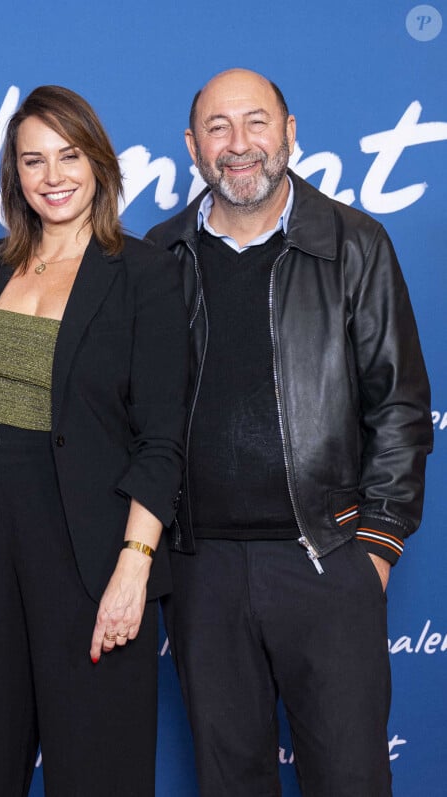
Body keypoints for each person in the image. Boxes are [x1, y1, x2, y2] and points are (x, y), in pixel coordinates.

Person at [0, 85, 188, 797]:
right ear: (15, 174)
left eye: (69, 155)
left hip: (89, 550)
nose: (52, 176)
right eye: (34, 160)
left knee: (98, 767)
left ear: (99, 163)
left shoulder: (145, 272)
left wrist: (133, 566)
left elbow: (162, 438)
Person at [146, 68, 433, 797]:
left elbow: (398, 403)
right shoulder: (160, 255)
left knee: (349, 777)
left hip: (326, 557)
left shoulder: (354, 243)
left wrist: (375, 548)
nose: (239, 145)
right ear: (192, 145)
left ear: (290, 132)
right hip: (202, 568)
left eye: (256, 123)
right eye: (217, 127)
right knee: (229, 779)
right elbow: (138, 413)